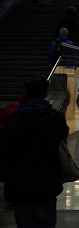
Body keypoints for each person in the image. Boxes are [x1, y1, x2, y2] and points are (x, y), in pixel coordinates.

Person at [0, 75, 69, 227]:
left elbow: (5, 149)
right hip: (47, 181)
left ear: (26, 93)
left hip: (20, 184)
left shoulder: (15, 119)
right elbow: (63, 136)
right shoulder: (55, 118)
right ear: (46, 93)